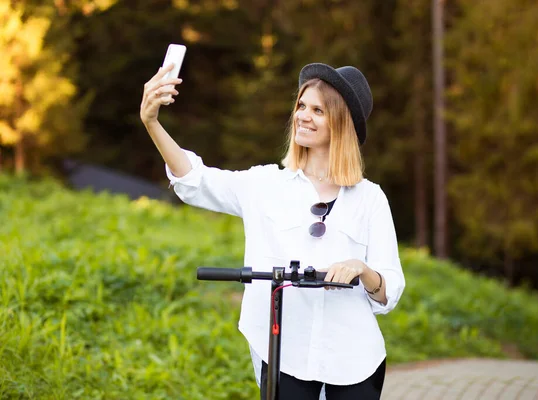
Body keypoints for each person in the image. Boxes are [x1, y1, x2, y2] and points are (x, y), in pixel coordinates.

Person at [140, 61, 405, 400]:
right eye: (301, 106)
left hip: (354, 360)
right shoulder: (265, 184)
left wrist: (361, 269)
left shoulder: (370, 198)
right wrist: (152, 123)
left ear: (341, 124)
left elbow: (389, 289)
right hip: (285, 354)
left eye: (318, 110)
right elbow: (196, 181)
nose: (303, 116)